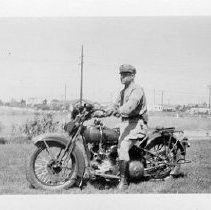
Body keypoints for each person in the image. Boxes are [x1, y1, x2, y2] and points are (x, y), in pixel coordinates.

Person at [107, 64, 148, 190]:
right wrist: (103, 111)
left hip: (136, 124)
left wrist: (118, 111)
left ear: (132, 75)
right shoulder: (122, 92)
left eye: (125, 74)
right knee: (107, 135)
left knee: (123, 147)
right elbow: (114, 105)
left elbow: (130, 106)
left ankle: (124, 181)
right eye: (121, 74)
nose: (122, 77)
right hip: (125, 123)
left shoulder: (137, 90)